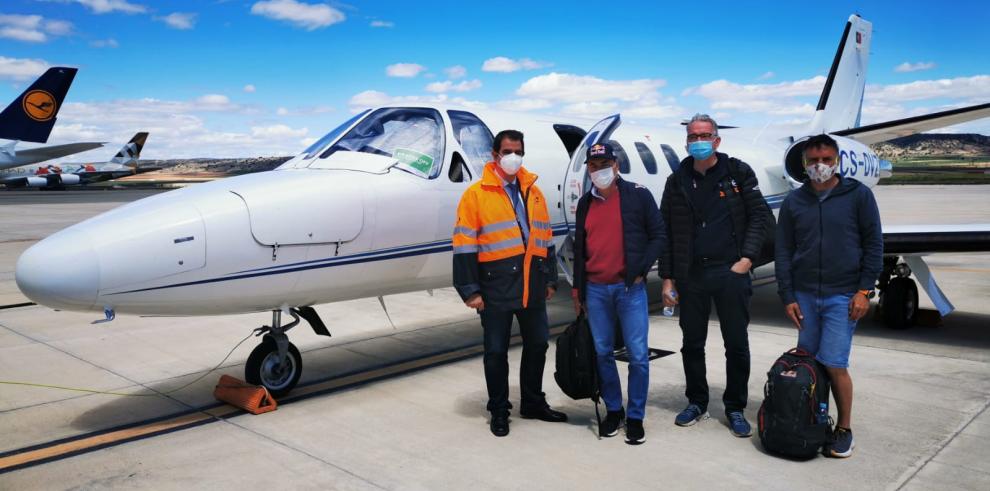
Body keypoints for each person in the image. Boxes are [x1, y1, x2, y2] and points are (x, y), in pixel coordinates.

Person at [660, 113, 770, 437]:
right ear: (686, 141)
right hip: (691, 275)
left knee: (736, 344)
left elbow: (759, 216)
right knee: (691, 344)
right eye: (693, 136)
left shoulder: (737, 172)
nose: (698, 141)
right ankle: (697, 402)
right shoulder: (676, 180)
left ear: (717, 140)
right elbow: (667, 232)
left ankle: (735, 407)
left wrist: (747, 259)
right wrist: (667, 279)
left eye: (704, 135)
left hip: (729, 271)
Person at [452, 129, 567, 437]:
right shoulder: (476, 195)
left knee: (538, 344)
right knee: (495, 351)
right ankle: (499, 410)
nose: (513, 157)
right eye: (507, 152)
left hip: (532, 283)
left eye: (518, 151)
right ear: (495, 155)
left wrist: (551, 278)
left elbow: (545, 236)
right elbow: (464, 245)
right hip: (495, 286)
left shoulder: (534, 191)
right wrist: (470, 290)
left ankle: (532, 402)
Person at [775, 134, 883, 458]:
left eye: (825, 159)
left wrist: (864, 291)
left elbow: (874, 246)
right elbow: (784, 251)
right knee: (808, 363)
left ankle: (844, 428)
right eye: (813, 160)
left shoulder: (858, 196)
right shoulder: (795, 201)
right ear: (804, 163)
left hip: (842, 295)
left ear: (836, 161)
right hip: (805, 295)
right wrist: (787, 295)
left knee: (835, 364)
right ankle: (813, 417)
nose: (819, 166)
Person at [571, 143, 666, 445]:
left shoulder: (637, 195)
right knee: (602, 353)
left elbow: (658, 234)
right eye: (594, 166)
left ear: (616, 165)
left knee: (638, 356)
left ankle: (636, 416)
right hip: (595, 290)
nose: (599, 171)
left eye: (605, 164)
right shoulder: (585, 203)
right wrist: (577, 287)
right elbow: (579, 248)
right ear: (588, 169)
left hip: (629, 289)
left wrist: (641, 268)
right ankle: (615, 410)